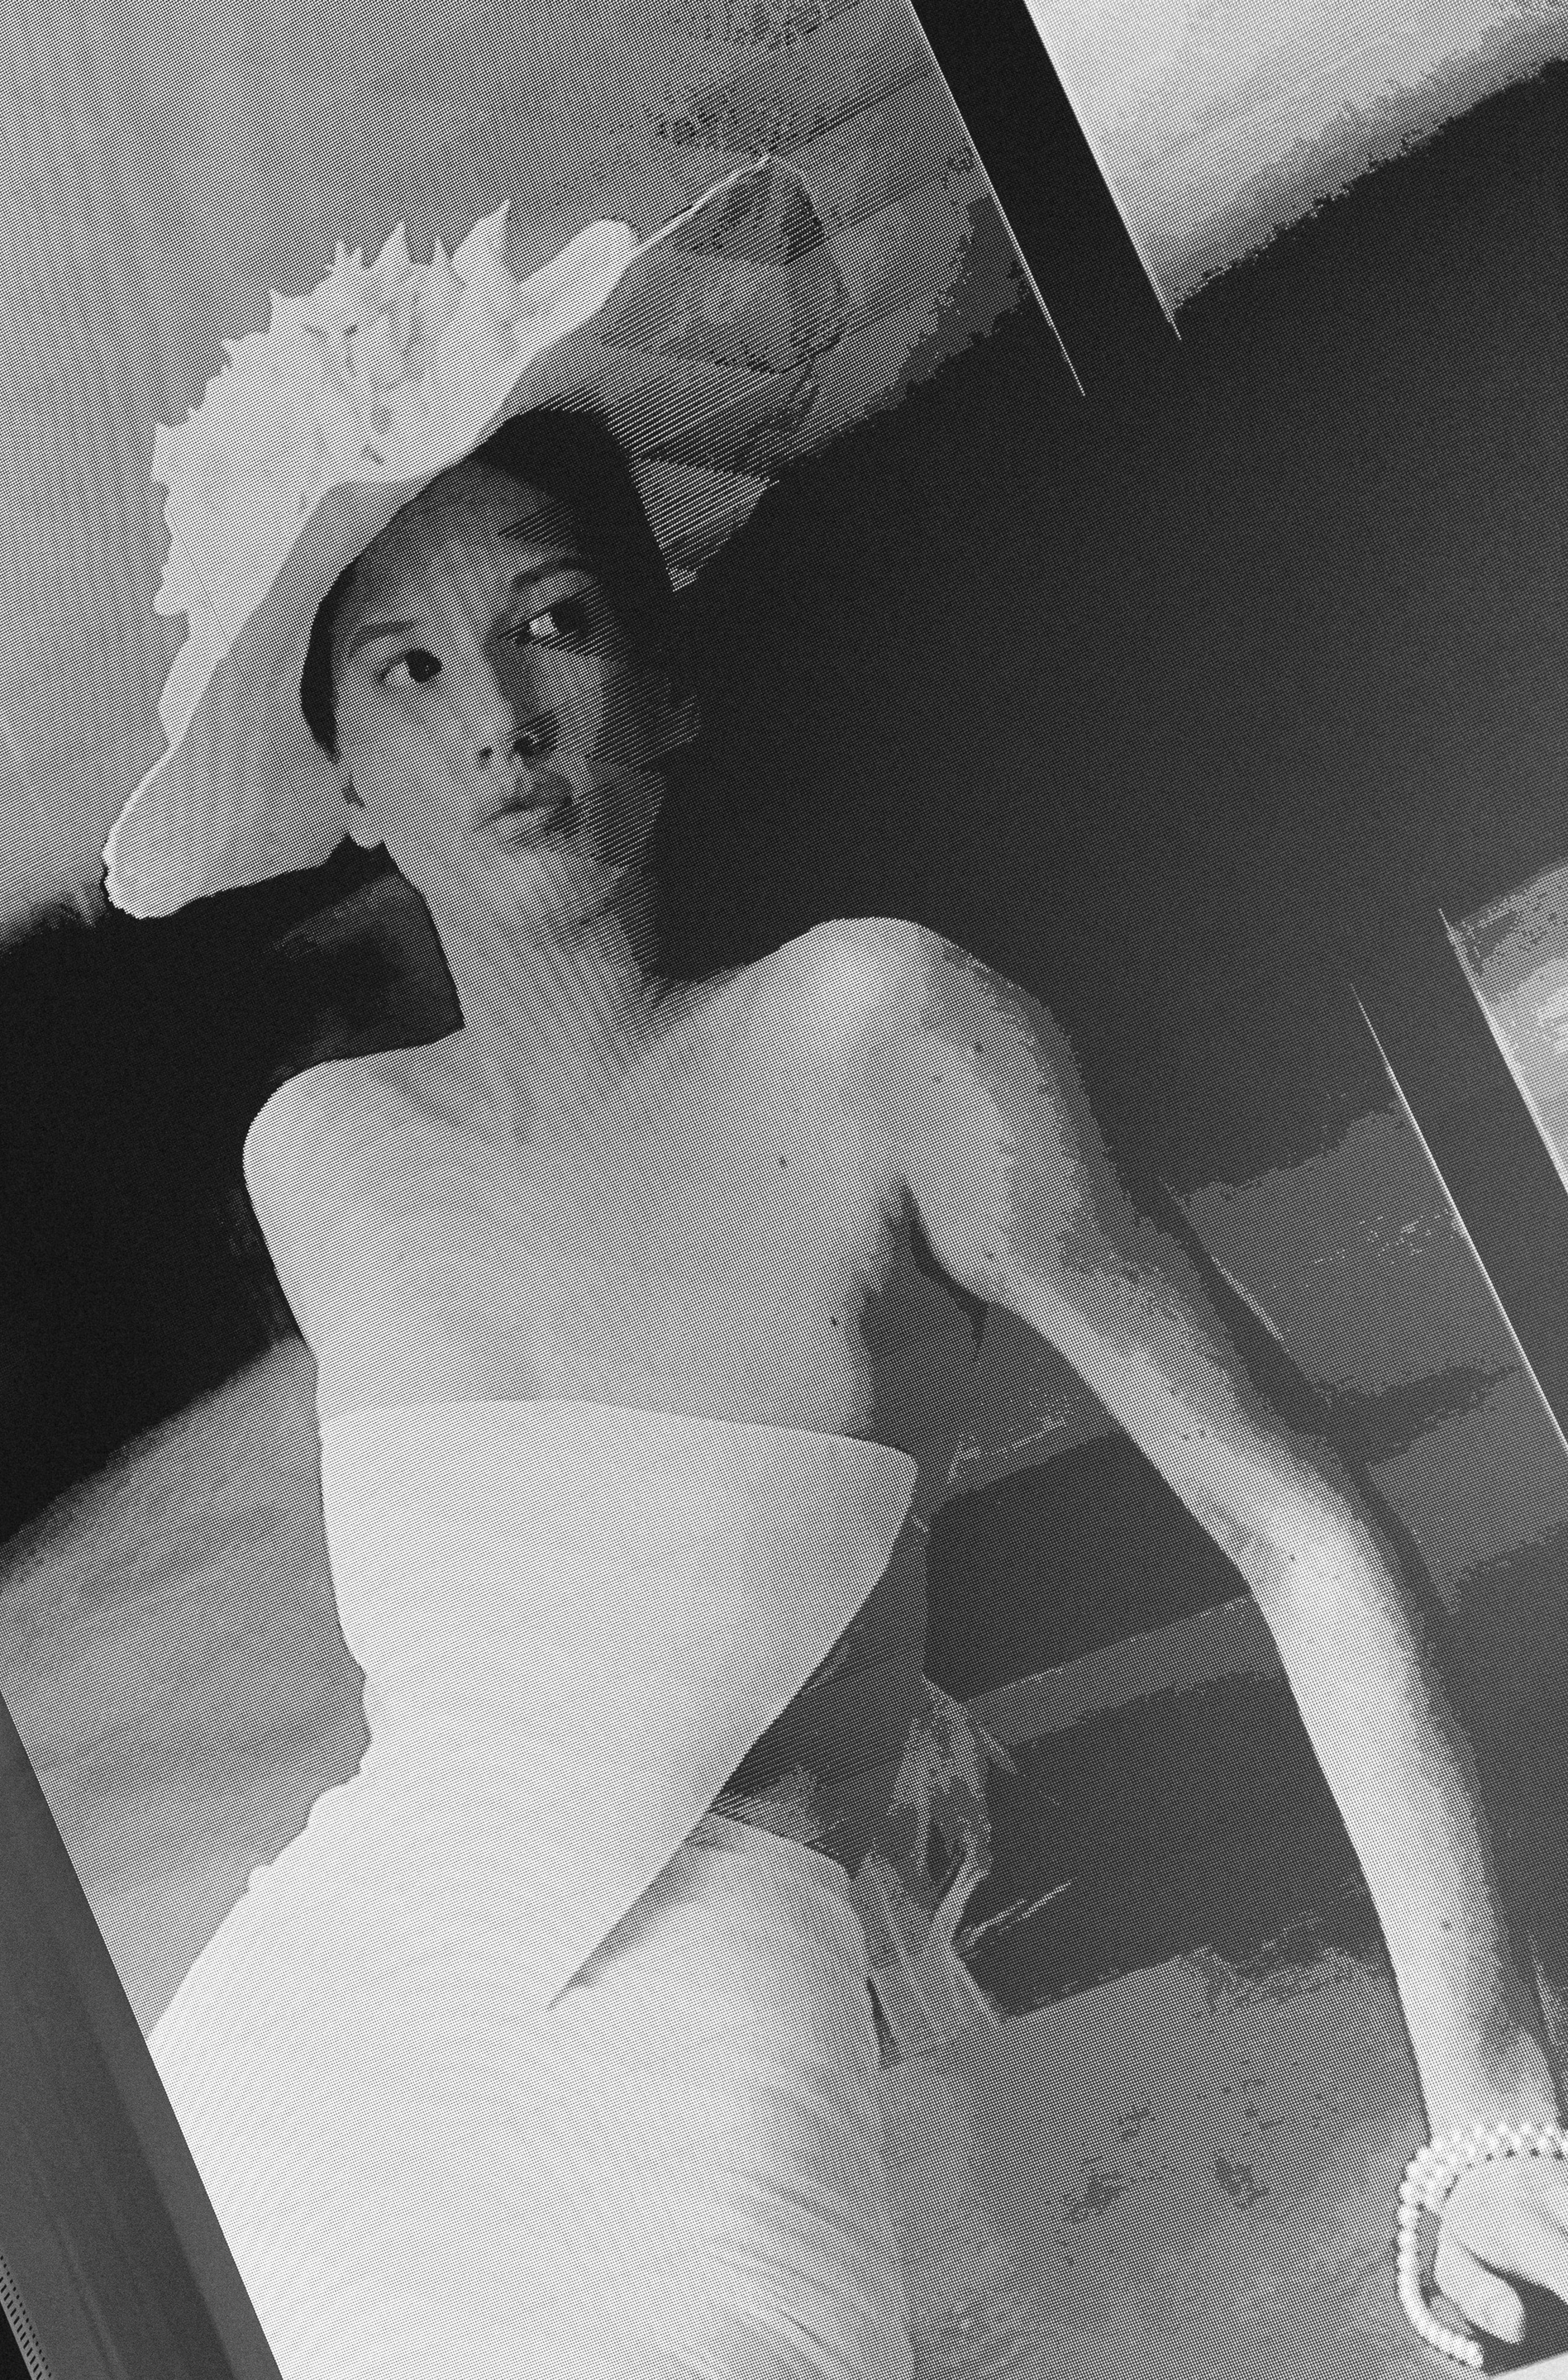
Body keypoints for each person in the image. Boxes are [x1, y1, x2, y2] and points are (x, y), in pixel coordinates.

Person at [105, 163, 1568, 2378]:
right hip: (294, 2092)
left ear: (667, 682)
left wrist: (1492, 2112)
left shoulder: (888, 1034)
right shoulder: (322, 1159)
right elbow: (527, 1693)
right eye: (409, 667)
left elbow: (1302, 1525)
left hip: (706, 2128)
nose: (500, 715)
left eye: (553, 623)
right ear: (350, 790)